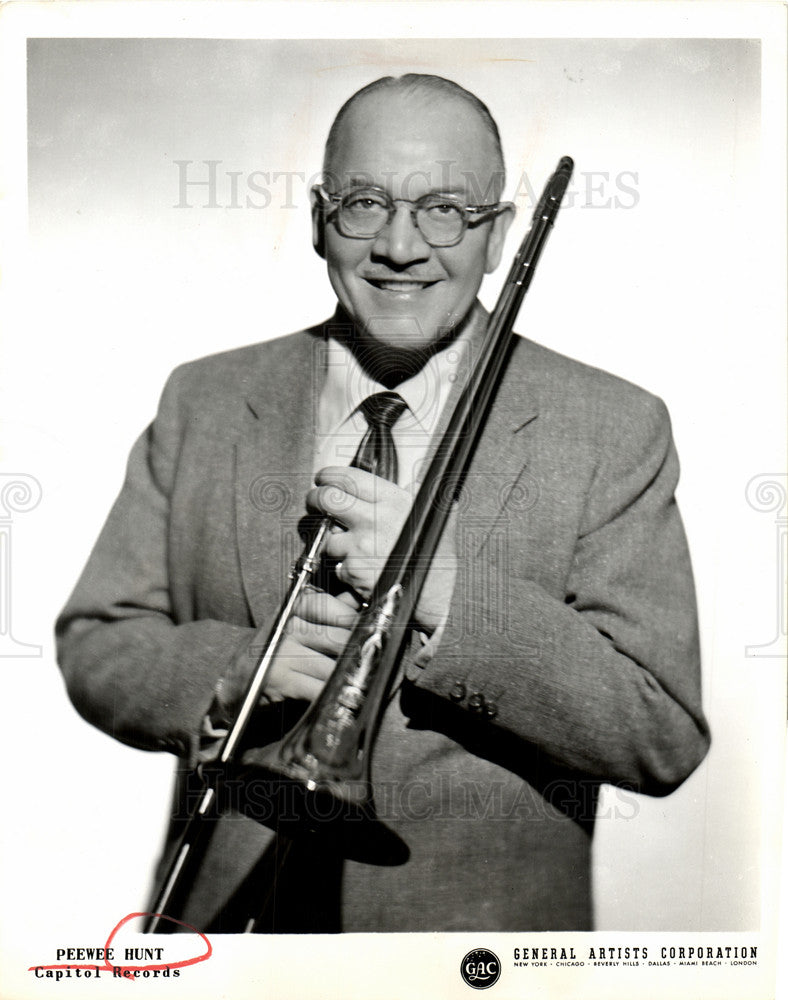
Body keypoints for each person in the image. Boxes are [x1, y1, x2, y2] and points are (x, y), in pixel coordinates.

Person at [56, 73, 710, 933]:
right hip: (229, 941)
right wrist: (229, 674)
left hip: (476, 959)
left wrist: (441, 591)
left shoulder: (611, 427)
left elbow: (660, 733)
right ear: (320, 220)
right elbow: (98, 643)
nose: (401, 246)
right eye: (365, 202)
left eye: (444, 207)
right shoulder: (207, 400)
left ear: (499, 235)